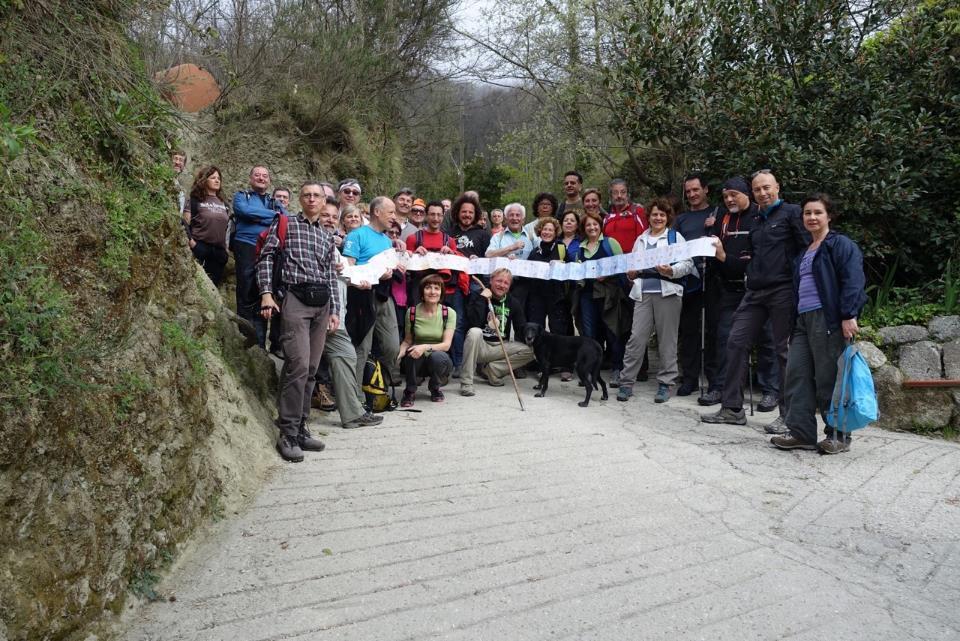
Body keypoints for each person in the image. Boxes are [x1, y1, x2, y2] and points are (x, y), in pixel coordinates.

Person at [702, 170, 810, 430]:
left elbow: (806, 250)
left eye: (766, 188)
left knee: (783, 352)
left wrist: (802, 288)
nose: (762, 193)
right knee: (735, 342)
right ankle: (732, 408)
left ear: (777, 187)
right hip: (755, 291)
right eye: (758, 189)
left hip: (783, 290)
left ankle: (790, 417)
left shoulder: (793, 213)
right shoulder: (758, 219)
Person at [771, 194, 867, 454]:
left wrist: (849, 315)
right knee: (797, 375)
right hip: (802, 321)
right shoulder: (804, 252)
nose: (811, 217)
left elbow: (853, 280)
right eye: (807, 213)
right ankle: (801, 433)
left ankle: (838, 435)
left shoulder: (840, 245)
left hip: (828, 318)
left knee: (829, 379)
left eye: (817, 213)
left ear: (829, 216)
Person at [257, 182, 341, 462]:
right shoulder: (286, 224)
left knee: (312, 368)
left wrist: (335, 310)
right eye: (307, 195)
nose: (312, 199)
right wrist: (267, 294)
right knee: (298, 364)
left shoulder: (328, 235)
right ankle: (288, 432)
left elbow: (331, 274)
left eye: (317, 195)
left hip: (322, 304)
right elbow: (266, 258)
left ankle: (301, 427)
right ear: (300, 200)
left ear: (324, 199)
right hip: (294, 299)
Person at [700, 177, 780, 407]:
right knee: (726, 340)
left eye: (734, 194)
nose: (729, 200)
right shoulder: (721, 219)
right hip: (728, 288)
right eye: (725, 196)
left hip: (758, 288)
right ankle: (720, 387)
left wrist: (728, 259)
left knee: (767, 339)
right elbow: (714, 253)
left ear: (747, 194)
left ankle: (770, 390)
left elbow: (755, 257)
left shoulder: (760, 216)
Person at [616, 199, 695, 404]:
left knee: (667, 340)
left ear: (668, 217)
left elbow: (688, 264)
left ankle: (666, 383)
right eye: (654, 214)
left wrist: (671, 271)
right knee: (636, 339)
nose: (658, 218)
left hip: (668, 293)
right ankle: (626, 382)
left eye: (662, 214)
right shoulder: (641, 239)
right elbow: (631, 268)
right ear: (648, 217)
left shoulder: (674, 237)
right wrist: (631, 274)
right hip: (643, 293)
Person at [315, 197, 384, 429]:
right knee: (302, 365)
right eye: (325, 215)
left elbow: (346, 274)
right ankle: (291, 416)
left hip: (335, 315)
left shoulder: (334, 247)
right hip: (313, 313)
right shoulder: (306, 237)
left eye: (334, 217)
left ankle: (353, 414)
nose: (330, 220)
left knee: (346, 355)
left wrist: (361, 281)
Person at [342, 196, 402, 388]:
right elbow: (348, 269)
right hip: (362, 296)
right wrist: (374, 273)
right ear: (377, 212)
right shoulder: (356, 236)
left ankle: (377, 385)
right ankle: (356, 397)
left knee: (392, 347)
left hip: (384, 296)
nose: (394, 217)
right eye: (391, 212)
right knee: (362, 347)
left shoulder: (386, 240)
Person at [673, 173, 720, 397]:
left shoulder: (718, 213)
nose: (692, 194)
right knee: (689, 331)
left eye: (696, 190)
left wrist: (716, 225)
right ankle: (689, 377)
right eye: (688, 191)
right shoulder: (681, 220)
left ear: (706, 189)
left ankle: (714, 381)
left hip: (714, 279)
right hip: (689, 281)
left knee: (713, 331)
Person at [460, 268, 535, 396]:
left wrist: (532, 334)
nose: (502, 285)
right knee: (474, 332)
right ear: (491, 280)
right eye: (499, 281)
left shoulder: (513, 302)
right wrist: (482, 299)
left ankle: (493, 370)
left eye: (506, 283)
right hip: (480, 346)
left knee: (530, 351)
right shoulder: (477, 295)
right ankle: (467, 383)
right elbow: (473, 322)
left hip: (500, 347)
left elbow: (520, 328)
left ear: (510, 286)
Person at [233, 165, 284, 348]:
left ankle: (260, 344)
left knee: (263, 290)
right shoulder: (242, 196)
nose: (261, 178)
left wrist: (260, 217)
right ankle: (244, 336)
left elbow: (283, 219)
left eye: (265, 176)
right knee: (246, 288)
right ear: (250, 178)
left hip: (268, 247)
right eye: (257, 175)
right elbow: (244, 212)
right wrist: (272, 216)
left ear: (269, 180)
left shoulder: (274, 202)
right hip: (246, 244)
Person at [576, 210, 629, 386]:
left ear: (600, 227)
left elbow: (622, 264)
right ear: (584, 228)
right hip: (587, 296)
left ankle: (617, 368)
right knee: (590, 335)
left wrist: (606, 274)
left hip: (609, 294)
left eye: (595, 224)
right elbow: (577, 272)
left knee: (612, 331)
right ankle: (590, 371)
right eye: (588, 225)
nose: (592, 227)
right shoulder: (580, 248)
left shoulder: (610, 243)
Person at [398, 274, 456, 406]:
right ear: (422, 292)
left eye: (437, 288)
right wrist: (399, 355)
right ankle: (410, 391)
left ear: (441, 293)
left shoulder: (449, 313)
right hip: (418, 359)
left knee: (438, 357)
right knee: (411, 352)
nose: (432, 291)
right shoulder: (412, 312)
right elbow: (407, 341)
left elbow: (446, 345)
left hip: (440, 360)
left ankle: (435, 388)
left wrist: (424, 346)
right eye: (428, 287)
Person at [183, 165, 230, 286]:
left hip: (219, 253)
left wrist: (225, 250)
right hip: (200, 247)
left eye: (218, 178)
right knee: (197, 286)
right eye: (213, 177)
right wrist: (192, 243)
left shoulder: (223, 202)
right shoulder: (195, 200)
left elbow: (227, 227)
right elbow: (185, 223)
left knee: (213, 288)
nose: (217, 180)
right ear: (204, 180)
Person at [525, 217, 569, 335]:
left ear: (555, 233)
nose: (547, 232)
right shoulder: (534, 252)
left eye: (550, 230)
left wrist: (562, 264)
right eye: (545, 229)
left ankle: (559, 353)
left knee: (558, 330)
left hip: (556, 296)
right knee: (537, 329)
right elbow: (527, 271)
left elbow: (569, 269)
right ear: (540, 231)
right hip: (537, 296)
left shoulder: (561, 248)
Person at [603, 179, 648, 253]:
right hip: (612, 262)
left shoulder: (637, 211)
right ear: (611, 195)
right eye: (615, 193)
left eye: (623, 192)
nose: (619, 196)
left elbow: (645, 236)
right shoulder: (607, 218)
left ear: (628, 194)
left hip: (633, 260)